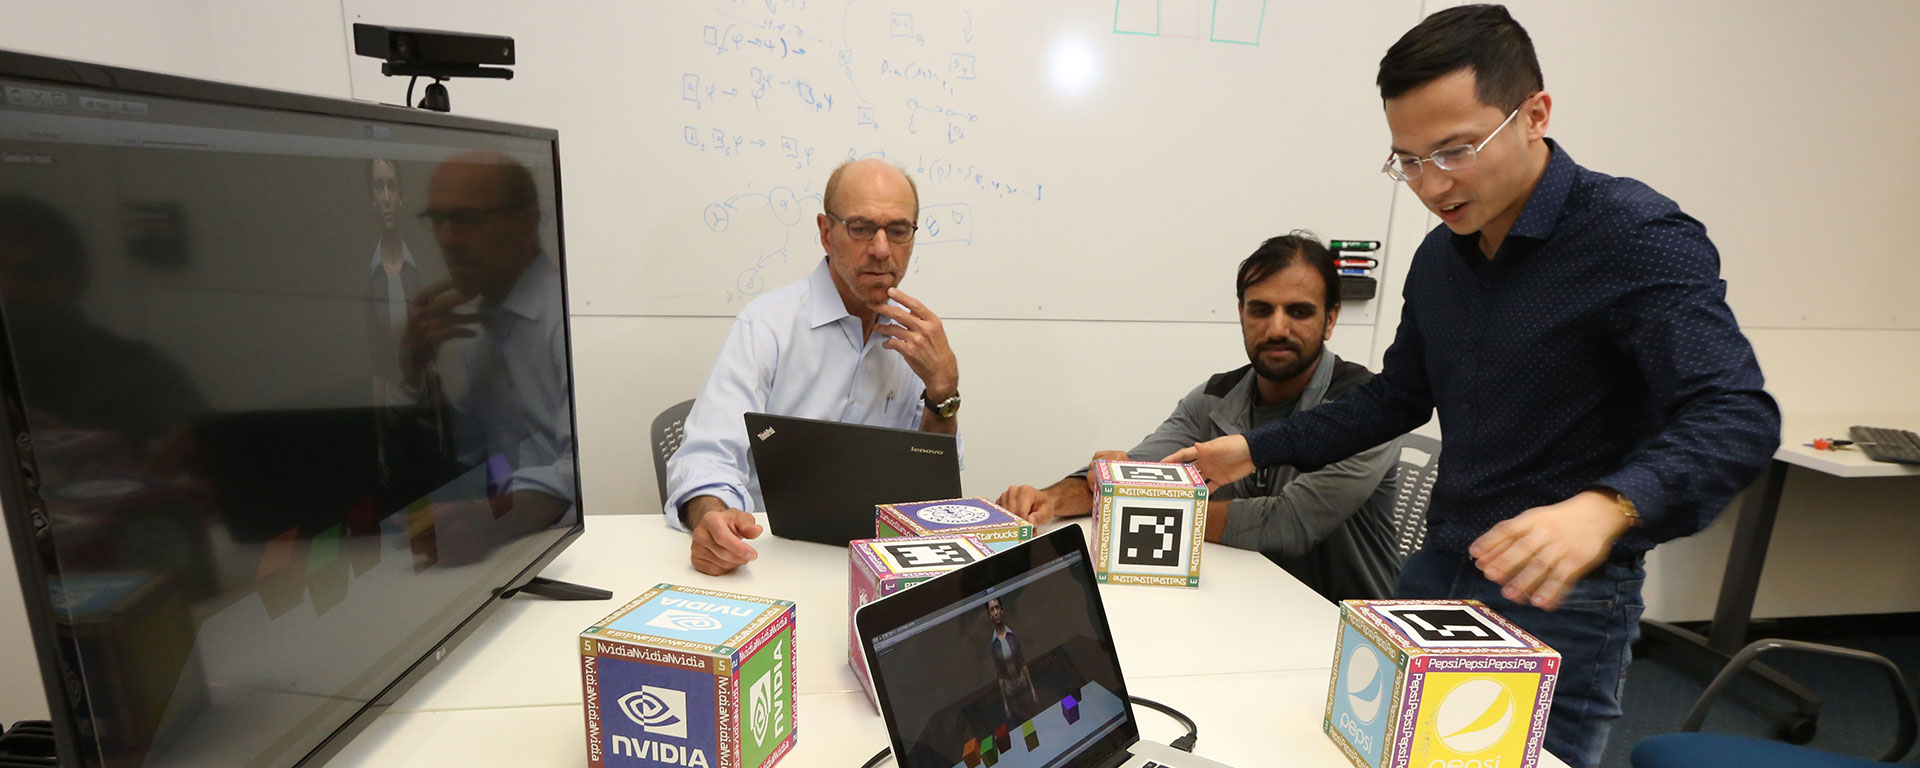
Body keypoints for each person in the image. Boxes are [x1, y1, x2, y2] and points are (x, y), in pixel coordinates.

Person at [1166, 6, 1781, 765]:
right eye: (1408, 159)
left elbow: (1736, 415)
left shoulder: (1630, 235)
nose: (1431, 184)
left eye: (1455, 151)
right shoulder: (1441, 259)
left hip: (1560, 595)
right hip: (1441, 565)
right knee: (1372, 747)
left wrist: (1607, 508)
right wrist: (1255, 451)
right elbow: (1395, 399)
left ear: (1535, 115)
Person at [995, 233, 1402, 601]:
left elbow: (1287, 526)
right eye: (1261, 309)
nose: (1277, 328)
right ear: (1241, 312)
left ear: (1330, 319)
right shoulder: (1212, 398)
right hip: (1235, 601)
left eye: (1298, 312)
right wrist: (1049, 499)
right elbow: (1132, 471)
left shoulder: (1367, 411)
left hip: (1338, 623)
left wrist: (1127, 500)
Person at [666, 158, 962, 576]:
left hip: (876, 563)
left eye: (897, 231)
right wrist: (713, 519)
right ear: (826, 233)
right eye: (860, 228)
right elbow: (706, 457)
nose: (881, 249)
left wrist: (943, 391)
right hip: (766, 555)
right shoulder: (768, 326)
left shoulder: (918, 340)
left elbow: (932, 494)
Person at [402, 151, 576, 564]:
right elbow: (470, 454)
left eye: (466, 220)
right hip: (513, 544)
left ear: (527, 225)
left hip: (565, 544)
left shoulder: (563, 319)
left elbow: (582, 475)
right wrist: (419, 372)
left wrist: (491, 520)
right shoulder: (483, 327)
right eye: (437, 220)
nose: (446, 238)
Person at [985, 597, 1037, 723]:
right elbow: (1000, 674)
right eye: (992, 610)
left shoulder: (1012, 636)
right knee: (1020, 721)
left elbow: (1022, 662)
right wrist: (1005, 705)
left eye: (997, 608)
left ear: (1002, 611)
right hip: (1009, 688)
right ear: (990, 616)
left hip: (1021, 681)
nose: (996, 612)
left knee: (1032, 715)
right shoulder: (993, 644)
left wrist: (1032, 689)